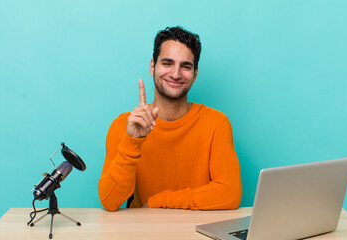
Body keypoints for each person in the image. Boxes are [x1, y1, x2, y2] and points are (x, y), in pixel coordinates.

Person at [98, 26, 241, 211]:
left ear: (195, 74)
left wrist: (160, 202)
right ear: (152, 67)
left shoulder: (216, 123)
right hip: (144, 231)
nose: (175, 74)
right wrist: (133, 141)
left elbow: (230, 193)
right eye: (167, 63)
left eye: (186, 66)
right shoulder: (124, 125)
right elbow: (109, 201)